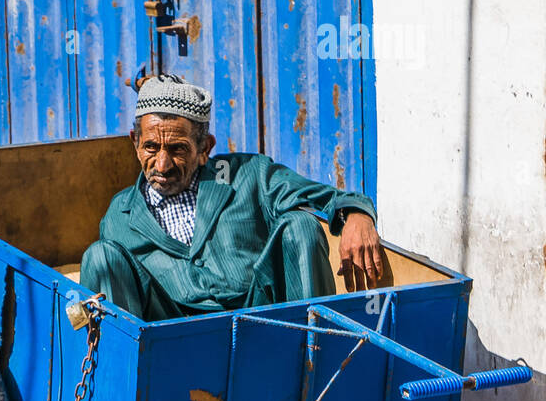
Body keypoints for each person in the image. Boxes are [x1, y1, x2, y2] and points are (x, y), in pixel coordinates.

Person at [80, 73, 383, 321]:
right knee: (101, 256)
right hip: (174, 339)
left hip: (262, 320)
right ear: (135, 143)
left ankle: (314, 357)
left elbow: (322, 197)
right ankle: (125, 385)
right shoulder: (120, 215)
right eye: (151, 147)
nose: (162, 165)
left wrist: (356, 214)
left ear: (204, 148)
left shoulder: (246, 174)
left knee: (301, 224)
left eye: (177, 149)